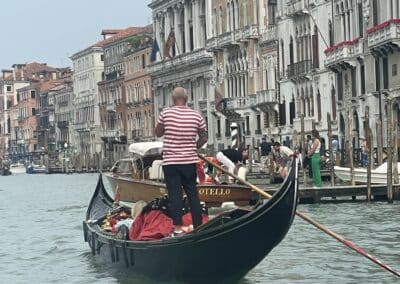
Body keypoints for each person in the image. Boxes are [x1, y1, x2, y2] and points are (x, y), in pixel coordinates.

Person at [155, 86, 208, 237]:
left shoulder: (166, 113)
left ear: (173, 99)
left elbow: (158, 133)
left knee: (175, 195)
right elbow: (204, 137)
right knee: (193, 194)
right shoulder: (196, 116)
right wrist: (193, 147)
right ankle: (198, 227)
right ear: (187, 99)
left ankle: (177, 229)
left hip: (171, 162)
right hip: (189, 162)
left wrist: (164, 125)